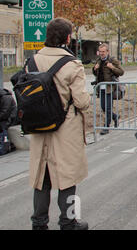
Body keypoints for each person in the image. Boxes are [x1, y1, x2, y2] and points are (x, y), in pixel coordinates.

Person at [28, 17, 91, 230]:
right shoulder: (72, 64)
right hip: (66, 128)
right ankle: (68, 221)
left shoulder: (32, 61)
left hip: (39, 126)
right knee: (68, 176)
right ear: (67, 37)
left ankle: (39, 223)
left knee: (41, 176)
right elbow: (81, 101)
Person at [92, 43, 124, 135]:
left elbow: (121, 72)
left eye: (103, 52)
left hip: (110, 87)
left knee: (108, 108)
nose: (101, 53)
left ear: (107, 52)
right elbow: (95, 73)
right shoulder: (98, 61)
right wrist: (94, 69)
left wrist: (112, 67)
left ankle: (106, 127)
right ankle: (115, 117)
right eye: (100, 51)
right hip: (101, 87)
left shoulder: (112, 60)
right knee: (103, 107)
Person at [0, 88, 17, 155]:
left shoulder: (6, 97)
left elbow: (5, 113)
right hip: (4, 118)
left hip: (11, 118)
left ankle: (4, 147)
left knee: (3, 127)